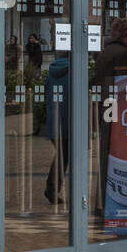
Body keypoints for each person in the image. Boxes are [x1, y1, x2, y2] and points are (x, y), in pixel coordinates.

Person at [95, 19, 127, 209]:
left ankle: (102, 199)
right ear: (126, 33)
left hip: (105, 106)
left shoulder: (104, 53)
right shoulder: (123, 53)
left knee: (106, 150)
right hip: (121, 110)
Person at [44, 52, 70, 204]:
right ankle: (52, 189)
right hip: (68, 120)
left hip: (54, 119)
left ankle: (52, 189)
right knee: (64, 155)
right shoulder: (74, 71)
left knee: (62, 154)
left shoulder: (50, 73)